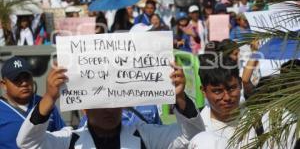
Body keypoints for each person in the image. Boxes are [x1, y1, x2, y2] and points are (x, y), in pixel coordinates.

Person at [17, 63, 205, 149]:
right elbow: (27, 142)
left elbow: (194, 136)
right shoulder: (70, 140)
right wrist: (49, 97)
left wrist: (180, 97)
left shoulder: (144, 135)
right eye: (101, 104)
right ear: (84, 108)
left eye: (114, 103)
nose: (109, 110)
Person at [0, 56, 65, 149]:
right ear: (4, 84)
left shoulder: (46, 103)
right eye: (16, 79)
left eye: (27, 77)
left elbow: (62, 136)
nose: (24, 83)